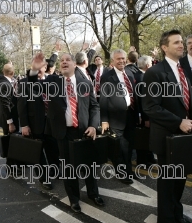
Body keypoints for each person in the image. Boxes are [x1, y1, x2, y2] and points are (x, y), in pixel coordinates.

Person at [28, 52, 104, 213]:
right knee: (68, 168)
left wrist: (93, 125)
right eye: (61, 60)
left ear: (74, 64)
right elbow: (33, 84)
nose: (64, 62)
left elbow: (94, 106)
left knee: (88, 165)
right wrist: (34, 70)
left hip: (84, 131)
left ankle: (93, 193)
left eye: (67, 60)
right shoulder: (52, 81)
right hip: (63, 133)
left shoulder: (85, 82)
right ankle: (74, 199)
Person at [143, 29, 192, 223]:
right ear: (165, 47)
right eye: (177, 43)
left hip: (184, 137)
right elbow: (150, 107)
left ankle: (177, 214)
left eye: (182, 42)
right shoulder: (154, 73)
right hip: (166, 137)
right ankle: (166, 221)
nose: (182, 45)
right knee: (168, 181)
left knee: (180, 178)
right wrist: (178, 122)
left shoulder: (185, 70)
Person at [17, 58, 59, 190]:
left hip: (52, 122)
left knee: (53, 149)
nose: (42, 67)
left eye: (43, 64)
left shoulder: (53, 80)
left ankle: (55, 171)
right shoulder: (25, 82)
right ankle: (44, 178)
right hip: (35, 123)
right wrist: (24, 125)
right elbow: (21, 105)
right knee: (38, 152)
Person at [100, 49, 138, 184]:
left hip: (131, 115)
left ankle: (129, 170)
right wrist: (104, 120)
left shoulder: (129, 73)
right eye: (118, 59)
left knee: (129, 146)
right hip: (115, 118)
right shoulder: (107, 76)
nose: (121, 61)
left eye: (123, 58)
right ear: (112, 61)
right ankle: (122, 173)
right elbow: (103, 99)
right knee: (119, 149)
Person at [0, 64, 19, 171]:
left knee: (13, 142)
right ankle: (11, 167)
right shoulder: (4, 84)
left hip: (8, 117)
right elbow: (5, 105)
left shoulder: (4, 81)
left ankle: (15, 163)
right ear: (12, 72)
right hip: (8, 118)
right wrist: (10, 122)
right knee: (11, 143)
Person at [134, 55, 156, 167]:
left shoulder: (139, 75)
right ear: (147, 65)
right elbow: (142, 100)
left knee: (147, 136)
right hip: (144, 115)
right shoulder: (142, 78)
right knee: (143, 137)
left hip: (144, 114)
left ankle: (149, 157)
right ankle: (142, 161)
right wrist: (145, 117)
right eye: (151, 63)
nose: (152, 65)